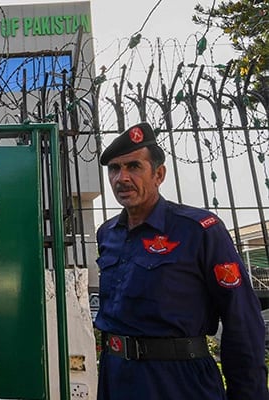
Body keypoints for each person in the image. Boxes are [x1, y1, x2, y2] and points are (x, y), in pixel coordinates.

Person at [95, 122, 269, 400]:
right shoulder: (107, 234)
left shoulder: (199, 230)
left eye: (134, 167)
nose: (121, 178)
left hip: (179, 381)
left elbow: (241, 319)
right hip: (117, 378)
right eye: (114, 169)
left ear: (159, 174)